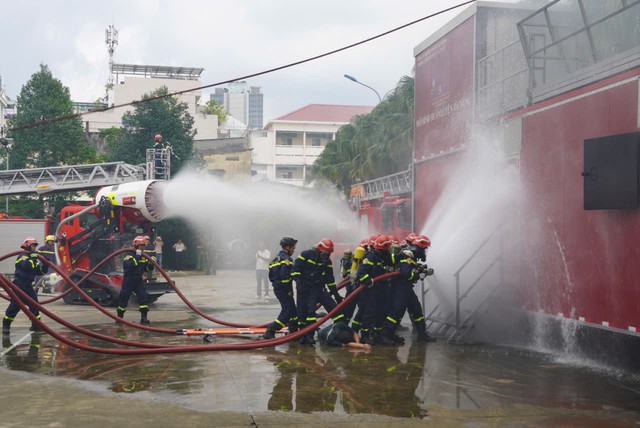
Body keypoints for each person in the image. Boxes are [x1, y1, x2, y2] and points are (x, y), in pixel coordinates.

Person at [291, 238, 343, 345]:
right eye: (325, 253)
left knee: (334, 308)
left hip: (318, 288)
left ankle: (341, 332)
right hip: (304, 288)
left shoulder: (327, 262)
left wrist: (336, 295)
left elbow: (330, 279)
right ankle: (305, 335)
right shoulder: (306, 255)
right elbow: (295, 270)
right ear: (318, 250)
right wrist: (298, 283)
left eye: (328, 254)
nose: (326, 256)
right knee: (305, 312)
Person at [3, 237, 49, 334]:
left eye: (35, 246)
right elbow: (27, 266)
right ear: (27, 246)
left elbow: (40, 272)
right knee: (15, 306)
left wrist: (45, 264)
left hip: (28, 285)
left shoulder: (32, 257)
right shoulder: (23, 256)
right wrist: (33, 257)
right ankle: (6, 326)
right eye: (33, 246)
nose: (34, 248)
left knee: (35, 305)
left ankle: (35, 325)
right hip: (19, 285)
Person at [261, 237, 298, 340]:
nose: (294, 250)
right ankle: (271, 330)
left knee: (293, 311)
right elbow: (286, 277)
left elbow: (271, 275)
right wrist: (289, 289)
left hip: (277, 287)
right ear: (287, 247)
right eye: (293, 248)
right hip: (284, 289)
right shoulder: (287, 259)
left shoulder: (275, 258)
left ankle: (294, 331)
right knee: (287, 311)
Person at [116, 236, 154, 325]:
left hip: (138, 279)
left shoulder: (143, 255)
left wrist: (151, 264)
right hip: (129, 279)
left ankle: (144, 318)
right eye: (141, 245)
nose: (142, 247)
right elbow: (130, 265)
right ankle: (119, 318)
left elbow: (146, 269)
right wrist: (137, 256)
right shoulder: (129, 254)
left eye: (143, 245)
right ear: (136, 245)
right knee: (124, 298)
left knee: (143, 296)